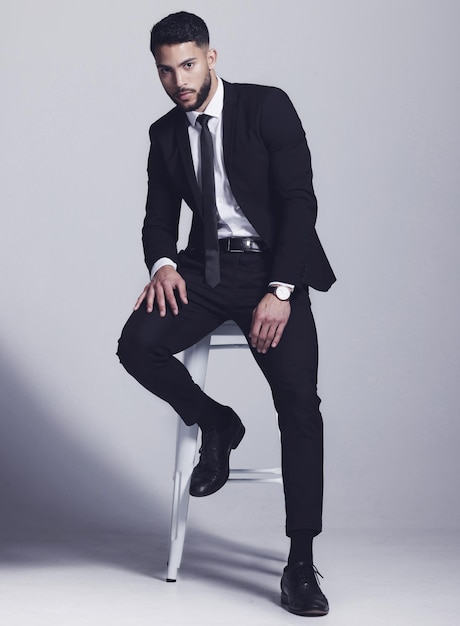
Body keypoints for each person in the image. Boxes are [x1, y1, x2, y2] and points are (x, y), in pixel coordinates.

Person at [117, 11, 335, 617]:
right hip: (204, 274)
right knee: (137, 345)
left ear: (212, 58)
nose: (177, 80)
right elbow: (158, 216)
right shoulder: (165, 134)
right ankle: (217, 424)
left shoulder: (266, 107)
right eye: (165, 70)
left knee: (299, 408)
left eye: (187, 64)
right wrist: (162, 264)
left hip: (272, 271)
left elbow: (299, 201)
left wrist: (284, 289)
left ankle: (299, 561)